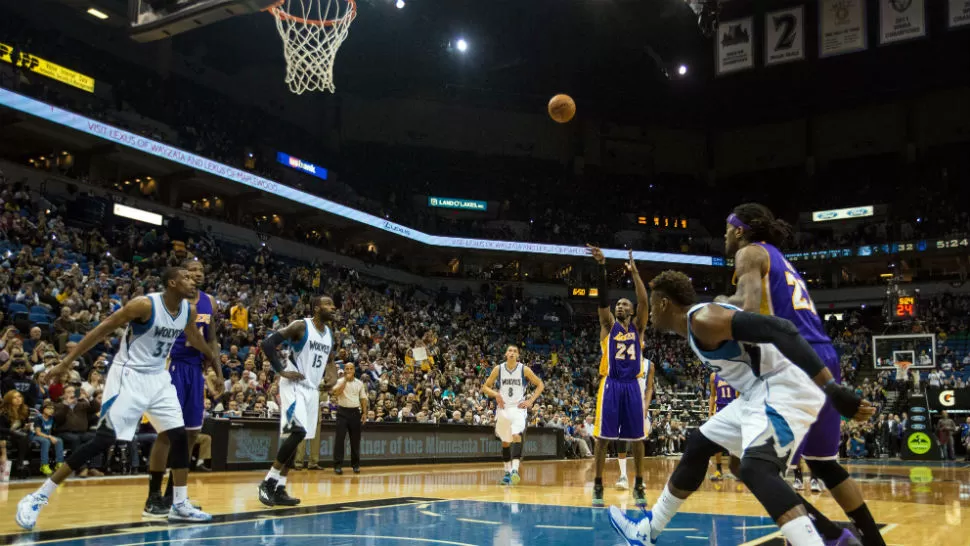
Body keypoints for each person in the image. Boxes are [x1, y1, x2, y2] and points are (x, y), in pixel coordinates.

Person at [607, 270, 873, 546]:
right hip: (757, 392)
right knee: (703, 445)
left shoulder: (703, 319)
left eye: (652, 304)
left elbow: (782, 328)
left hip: (784, 387)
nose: (649, 314)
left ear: (664, 303)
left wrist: (833, 389)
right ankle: (647, 531)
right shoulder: (696, 325)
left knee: (757, 469)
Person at [714, 203, 885, 546]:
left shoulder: (749, 253)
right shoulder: (778, 256)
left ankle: (828, 535)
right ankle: (869, 541)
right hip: (822, 354)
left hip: (792, 358)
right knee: (824, 464)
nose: (723, 236)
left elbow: (745, 311)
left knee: (745, 465)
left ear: (738, 230)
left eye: (725, 229)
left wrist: (719, 304)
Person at [16, 267, 215, 530]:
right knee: (104, 439)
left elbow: (193, 336)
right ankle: (37, 497)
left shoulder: (188, 310)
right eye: (187, 278)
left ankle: (179, 504)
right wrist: (66, 362)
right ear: (171, 283)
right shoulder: (144, 305)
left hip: (158, 377)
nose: (194, 281)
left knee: (179, 436)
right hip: (128, 376)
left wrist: (212, 357)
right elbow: (102, 329)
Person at [144, 259, 222, 516]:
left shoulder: (209, 302)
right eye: (191, 272)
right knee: (167, 434)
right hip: (174, 366)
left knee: (190, 434)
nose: (197, 275)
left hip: (196, 371)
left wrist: (217, 372)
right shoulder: (174, 301)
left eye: (201, 271)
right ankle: (153, 495)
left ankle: (175, 497)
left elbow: (212, 340)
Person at [257, 295, 336, 506]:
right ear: (317, 307)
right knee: (297, 431)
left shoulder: (329, 334)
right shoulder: (301, 326)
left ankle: (280, 487)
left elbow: (330, 361)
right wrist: (281, 370)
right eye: (328, 304)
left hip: (312, 391)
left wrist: (332, 377)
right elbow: (268, 343)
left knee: (297, 438)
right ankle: (267, 482)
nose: (333, 307)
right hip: (294, 386)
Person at [587, 246, 650, 507]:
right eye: (618, 304)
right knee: (603, 438)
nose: (620, 306)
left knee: (637, 438)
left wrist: (635, 273)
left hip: (633, 385)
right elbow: (602, 301)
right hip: (611, 384)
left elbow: (645, 301)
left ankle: (639, 484)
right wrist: (602, 267)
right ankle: (599, 484)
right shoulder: (607, 326)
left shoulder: (638, 327)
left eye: (625, 304)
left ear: (632, 311)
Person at [482, 345, 545, 486]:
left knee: (516, 435)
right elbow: (485, 387)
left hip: (518, 408)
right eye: (510, 351)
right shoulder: (498, 369)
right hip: (503, 408)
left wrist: (530, 401)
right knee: (505, 440)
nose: (512, 353)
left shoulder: (524, 369)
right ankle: (507, 472)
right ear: (506, 354)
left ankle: (515, 471)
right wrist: (496, 394)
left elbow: (540, 384)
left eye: (515, 351)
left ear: (518, 355)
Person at [614, 350, 654, 490]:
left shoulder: (649, 365)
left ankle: (639, 478)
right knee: (621, 438)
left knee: (639, 441)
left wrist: (646, 406)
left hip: (640, 405)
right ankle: (623, 475)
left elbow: (649, 388)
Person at [331, 362, 367, 474]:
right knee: (339, 440)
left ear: (354, 370)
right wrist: (345, 380)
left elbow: (363, 399)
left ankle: (355, 465)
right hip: (342, 412)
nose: (349, 370)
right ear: (345, 370)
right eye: (347, 368)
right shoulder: (339, 381)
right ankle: (338, 466)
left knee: (355, 440)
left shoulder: (359, 383)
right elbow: (336, 393)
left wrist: (364, 413)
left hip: (355, 412)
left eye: (351, 368)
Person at [707, 372, 738, 481]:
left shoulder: (735, 372)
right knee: (717, 442)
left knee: (735, 442)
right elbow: (712, 395)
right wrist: (710, 413)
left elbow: (739, 395)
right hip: (719, 411)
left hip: (732, 409)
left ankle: (737, 471)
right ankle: (719, 470)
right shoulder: (714, 376)